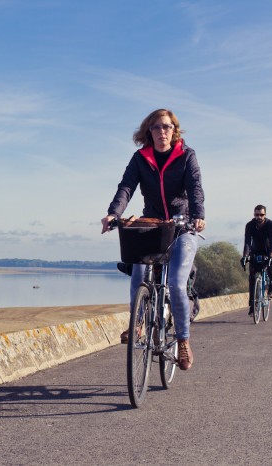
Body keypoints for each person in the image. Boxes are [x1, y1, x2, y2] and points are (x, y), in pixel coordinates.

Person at [101, 108, 205, 370]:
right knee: (138, 275)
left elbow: (195, 188)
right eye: (157, 127)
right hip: (153, 226)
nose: (162, 132)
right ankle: (137, 324)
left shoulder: (186, 155)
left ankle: (182, 340)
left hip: (182, 226)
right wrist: (114, 214)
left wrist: (198, 215)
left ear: (174, 130)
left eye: (167, 127)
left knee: (176, 284)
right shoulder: (140, 158)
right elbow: (126, 187)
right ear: (149, 131)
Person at [241, 204, 272, 315]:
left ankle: (271, 284)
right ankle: (252, 307)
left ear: (265, 215)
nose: (259, 217)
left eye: (261, 215)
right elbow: (247, 242)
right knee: (252, 278)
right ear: (254, 214)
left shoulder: (271, 224)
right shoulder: (250, 225)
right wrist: (245, 256)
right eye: (257, 215)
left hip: (269, 250)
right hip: (256, 251)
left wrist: (271, 255)